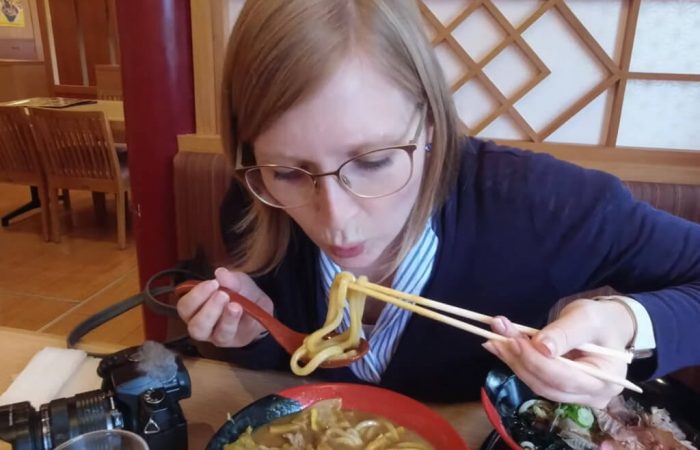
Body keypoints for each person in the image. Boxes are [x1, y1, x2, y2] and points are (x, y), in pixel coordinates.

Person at [176, 0, 700, 406]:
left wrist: (626, 323)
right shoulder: (254, 204)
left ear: (430, 123)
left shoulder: (541, 205)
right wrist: (252, 334)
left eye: (375, 160)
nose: (337, 221)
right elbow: (287, 371)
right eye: (290, 171)